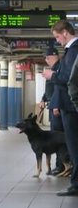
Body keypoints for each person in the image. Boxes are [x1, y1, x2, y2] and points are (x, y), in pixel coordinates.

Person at [43, 20, 78, 196]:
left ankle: (76, 184)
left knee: (73, 145)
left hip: (70, 107)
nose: (57, 41)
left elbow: (67, 78)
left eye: (57, 36)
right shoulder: (71, 51)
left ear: (65, 32)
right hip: (70, 105)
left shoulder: (73, 51)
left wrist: (52, 75)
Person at [39, 46, 65, 174]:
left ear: (50, 58)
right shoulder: (53, 69)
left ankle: (62, 166)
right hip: (52, 105)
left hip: (57, 107)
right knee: (56, 136)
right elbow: (49, 89)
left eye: (47, 58)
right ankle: (60, 165)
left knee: (58, 138)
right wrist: (43, 99)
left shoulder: (60, 69)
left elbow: (60, 89)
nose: (46, 60)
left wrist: (56, 105)